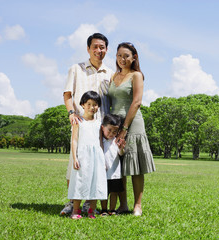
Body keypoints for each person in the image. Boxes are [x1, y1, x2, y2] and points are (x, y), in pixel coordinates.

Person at [61, 33, 114, 216]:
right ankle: (71, 202)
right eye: (95, 47)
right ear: (88, 48)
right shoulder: (77, 68)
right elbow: (67, 94)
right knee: (75, 165)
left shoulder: (110, 74)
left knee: (96, 167)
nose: (99, 50)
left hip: (100, 127)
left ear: (106, 49)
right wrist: (71, 113)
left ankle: (88, 205)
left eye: (102, 47)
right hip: (81, 123)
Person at [107, 42, 155, 216]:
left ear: (134, 57)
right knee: (118, 166)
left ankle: (138, 205)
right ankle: (123, 205)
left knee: (135, 165)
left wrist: (124, 128)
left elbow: (136, 102)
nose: (122, 59)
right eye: (119, 55)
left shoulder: (137, 75)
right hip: (114, 124)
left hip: (132, 124)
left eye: (126, 56)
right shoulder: (114, 76)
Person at [67, 91, 107, 219]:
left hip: (96, 156)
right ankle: (76, 211)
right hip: (82, 156)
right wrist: (75, 158)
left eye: (95, 104)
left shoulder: (99, 122)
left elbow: (100, 141)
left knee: (96, 182)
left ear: (98, 106)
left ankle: (91, 211)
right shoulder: (78, 121)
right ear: (83, 105)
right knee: (79, 182)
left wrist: (103, 159)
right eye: (88, 104)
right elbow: (74, 140)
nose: (91, 107)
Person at [100, 114, 126, 216]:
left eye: (114, 132)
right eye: (109, 130)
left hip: (115, 172)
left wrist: (121, 148)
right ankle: (104, 209)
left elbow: (121, 154)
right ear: (103, 127)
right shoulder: (100, 141)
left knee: (114, 192)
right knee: (104, 192)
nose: (111, 134)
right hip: (103, 172)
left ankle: (112, 209)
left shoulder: (116, 141)